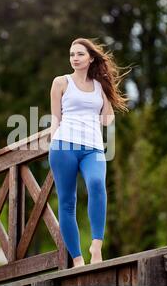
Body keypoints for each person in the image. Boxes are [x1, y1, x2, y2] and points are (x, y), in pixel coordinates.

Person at [48, 37, 130, 267]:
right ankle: (77, 260)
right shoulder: (60, 82)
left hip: (93, 148)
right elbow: (56, 118)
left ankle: (96, 244)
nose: (75, 58)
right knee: (67, 203)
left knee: (96, 184)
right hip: (64, 146)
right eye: (72, 54)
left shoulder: (99, 86)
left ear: (91, 58)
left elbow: (107, 120)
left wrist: (106, 94)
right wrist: (53, 144)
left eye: (80, 54)